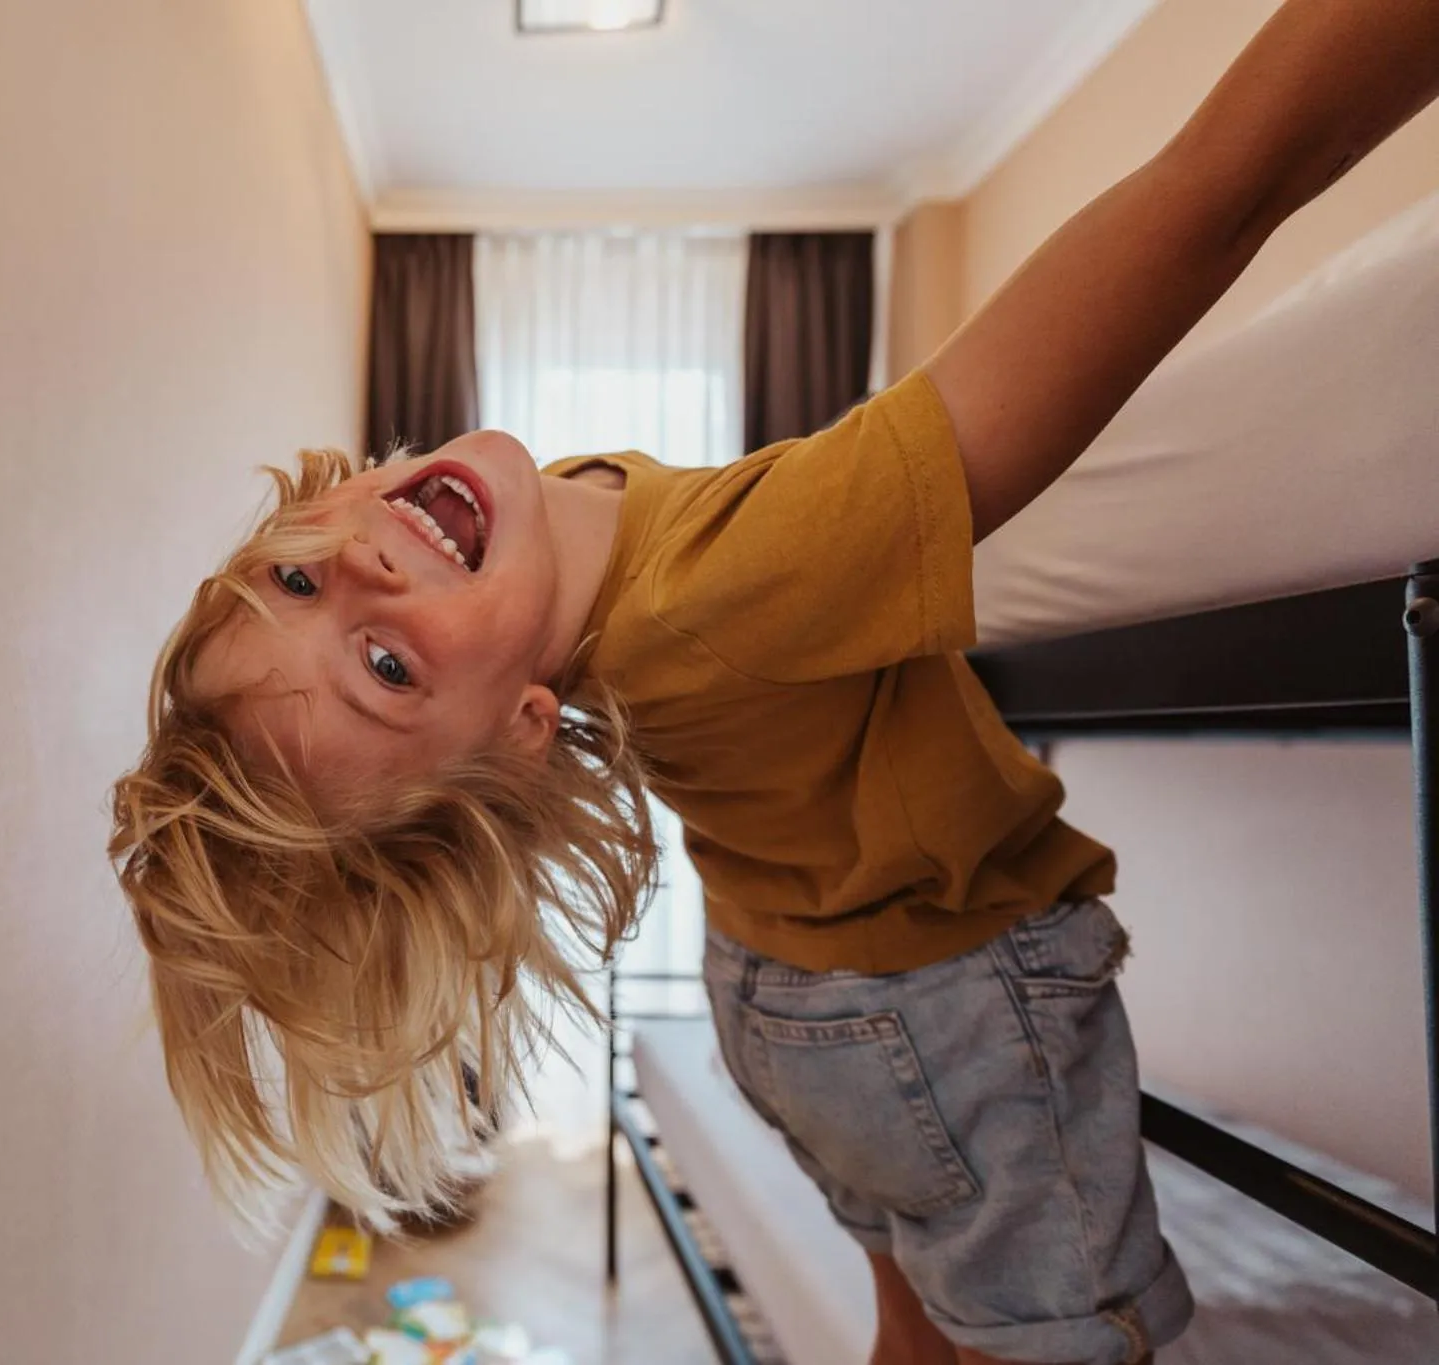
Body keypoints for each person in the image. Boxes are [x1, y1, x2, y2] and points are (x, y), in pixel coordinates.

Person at [110, 4, 1439, 1361]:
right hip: (930, 994)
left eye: (296, 584)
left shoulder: (567, 537)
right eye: (384, 671)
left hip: (783, 990)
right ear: (519, 733)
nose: (367, 574)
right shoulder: (733, 581)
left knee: (922, 1336)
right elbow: (1216, 189)